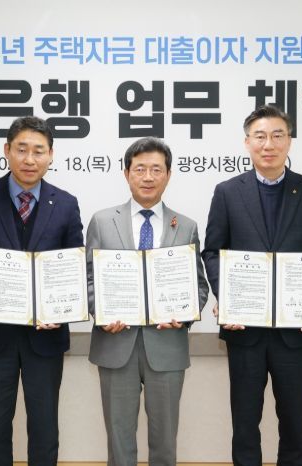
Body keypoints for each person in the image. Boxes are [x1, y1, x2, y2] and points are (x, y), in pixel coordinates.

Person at [201, 105, 302, 466]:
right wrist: (227, 297)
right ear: (247, 142)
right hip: (244, 329)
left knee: (293, 423)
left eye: (278, 135)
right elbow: (213, 251)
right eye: (260, 136)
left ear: (289, 141)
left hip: (296, 332)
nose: (269, 144)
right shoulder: (227, 192)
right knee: (245, 423)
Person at [0, 116, 83, 466]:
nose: (29, 159)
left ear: (51, 155)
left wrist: (63, 309)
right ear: (6, 151)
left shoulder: (65, 203)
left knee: (45, 426)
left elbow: (74, 268)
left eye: (38, 151)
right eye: (22, 149)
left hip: (46, 336)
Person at [86, 137, 209, 466]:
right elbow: (88, 277)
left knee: (165, 440)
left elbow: (198, 285)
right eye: (140, 169)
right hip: (116, 344)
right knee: (119, 439)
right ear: (126, 173)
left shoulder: (186, 226)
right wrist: (102, 314)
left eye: (156, 169)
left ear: (168, 174)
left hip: (166, 345)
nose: (148, 177)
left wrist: (184, 315)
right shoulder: (102, 221)